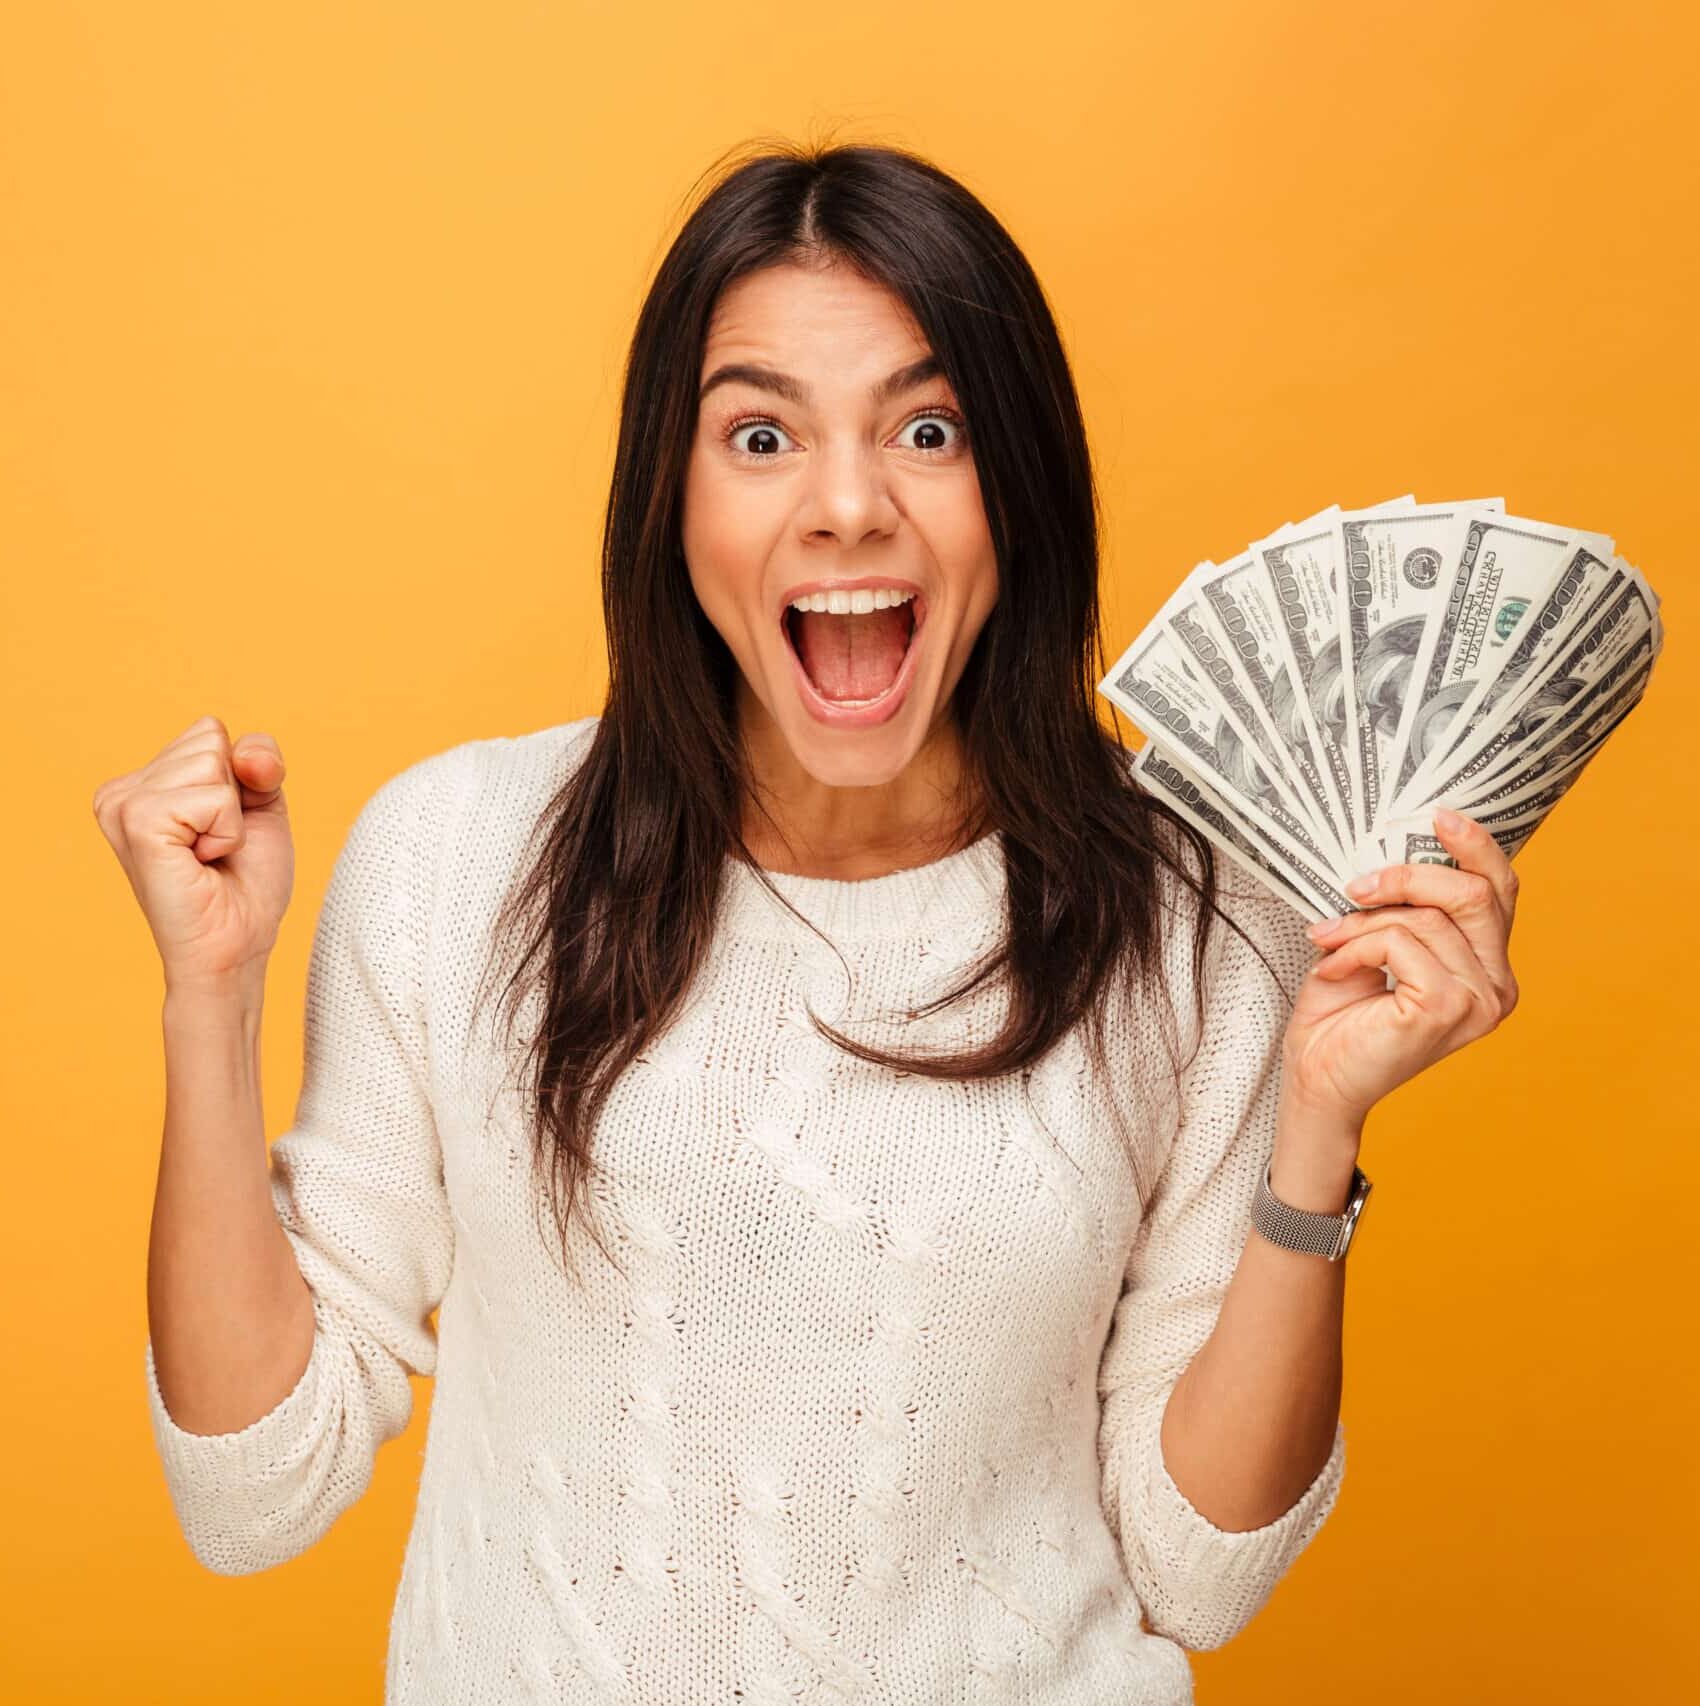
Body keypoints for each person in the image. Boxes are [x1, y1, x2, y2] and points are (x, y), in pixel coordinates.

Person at [96, 140, 1520, 1704]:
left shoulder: (1192, 915)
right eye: (760, 434)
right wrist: (209, 997)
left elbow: (1199, 1569)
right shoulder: (456, 856)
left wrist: (1316, 1129)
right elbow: (250, 1495)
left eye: (927, 428)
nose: (848, 505)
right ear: (672, 491)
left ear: (1018, 484)